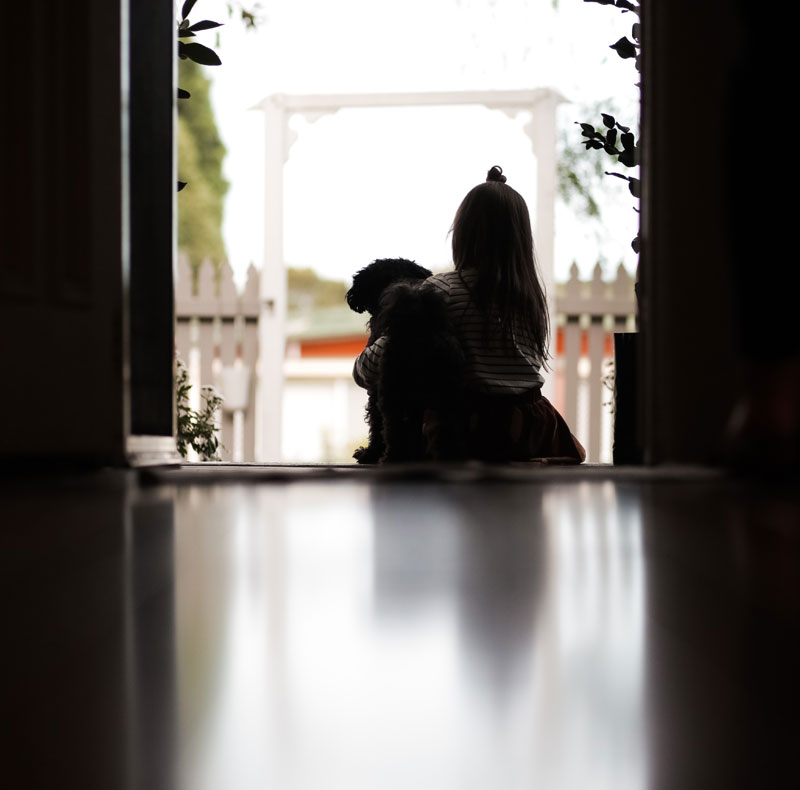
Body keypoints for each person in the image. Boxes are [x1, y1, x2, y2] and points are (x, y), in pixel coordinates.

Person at [353, 166, 585, 463]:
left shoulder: (441, 290)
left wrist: (365, 360)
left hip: (474, 429)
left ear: (461, 233)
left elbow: (371, 369)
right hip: (535, 426)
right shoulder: (529, 297)